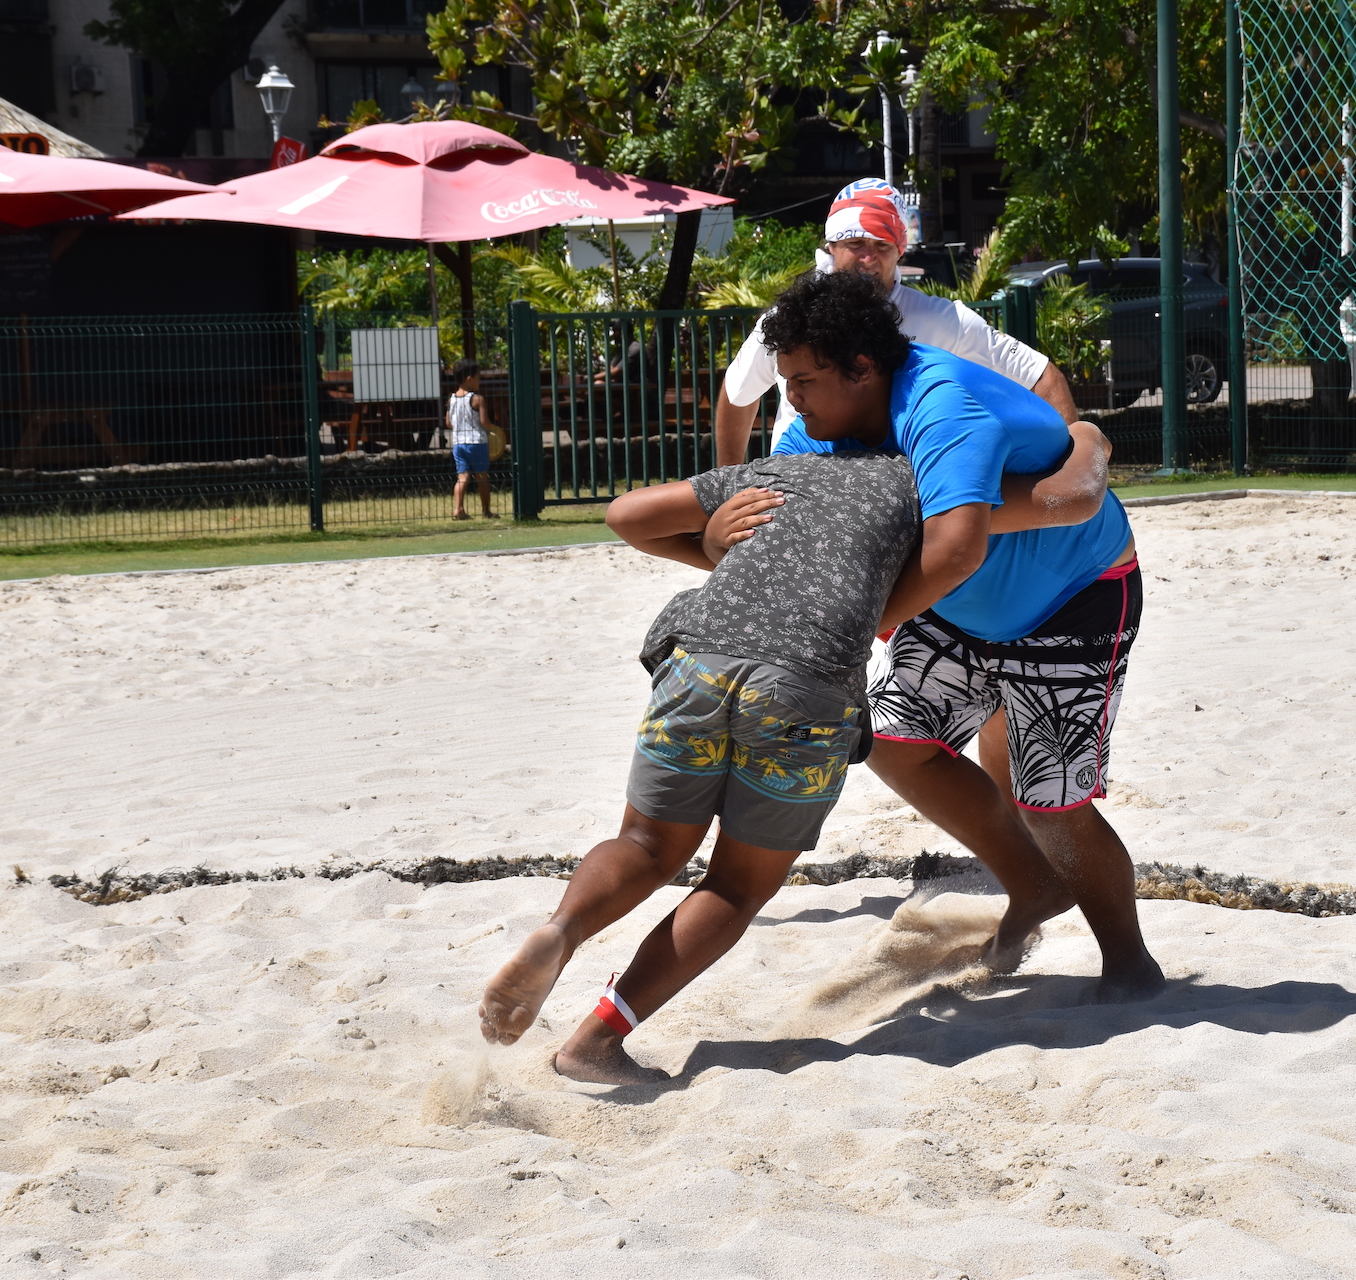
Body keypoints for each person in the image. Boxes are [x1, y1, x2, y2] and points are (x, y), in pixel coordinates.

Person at [477, 370, 1113, 1082]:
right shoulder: (925, 482)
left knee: (644, 845)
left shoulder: (780, 469)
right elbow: (1050, 508)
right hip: (802, 685)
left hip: (698, 661)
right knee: (735, 887)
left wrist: (718, 547)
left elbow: (627, 515)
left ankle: (561, 931)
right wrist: (1088, 438)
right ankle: (595, 1039)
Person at [710, 270, 1165, 1003]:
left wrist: (865, 619)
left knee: (1048, 799)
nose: (788, 399)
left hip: (1071, 596)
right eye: (784, 381)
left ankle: (1130, 964)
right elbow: (803, 532)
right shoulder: (815, 429)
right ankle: (1032, 882)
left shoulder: (941, 403)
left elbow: (956, 549)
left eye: (802, 381)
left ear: (862, 369)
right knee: (889, 737)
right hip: (959, 605)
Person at [713, 178, 1078, 469]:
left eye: (883, 245)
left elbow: (1042, 376)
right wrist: (729, 483)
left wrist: (1076, 470)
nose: (869, 257)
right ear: (830, 246)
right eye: (855, 243)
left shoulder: (942, 319)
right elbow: (737, 392)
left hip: (897, 504)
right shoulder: (789, 320)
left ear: (900, 251)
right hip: (799, 482)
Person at [448, 356, 495, 519]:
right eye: (478, 377)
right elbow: (484, 422)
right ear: (469, 379)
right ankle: (486, 511)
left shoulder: (452, 399)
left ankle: (458, 509)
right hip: (477, 443)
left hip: (458, 443)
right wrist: (495, 430)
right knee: (481, 476)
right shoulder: (477, 399)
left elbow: (449, 423)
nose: (479, 381)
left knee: (462, 477)